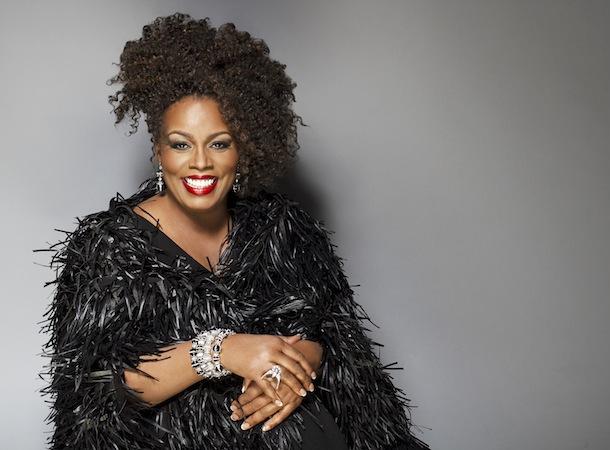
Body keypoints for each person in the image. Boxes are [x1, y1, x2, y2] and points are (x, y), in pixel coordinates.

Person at [38, 13, 430, 450]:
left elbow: (336, 337)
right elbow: (93, 395)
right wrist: (219, 352)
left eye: (219, 143)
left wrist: (294, 366)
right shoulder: (108, 246)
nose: (200, 162)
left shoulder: (284, 229)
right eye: (181, 143)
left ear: (243, 149)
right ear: (158, 150)